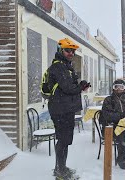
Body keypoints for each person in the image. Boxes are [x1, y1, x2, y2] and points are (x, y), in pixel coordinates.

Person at [47, 38, 90, 179]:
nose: (71, 53)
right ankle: (60, 172)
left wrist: (80, 84)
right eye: (68, 50)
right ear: (61, 50)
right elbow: (68, 88)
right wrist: (80, 87)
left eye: (73, 51)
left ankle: (61, 168)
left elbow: (69, 86)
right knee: (63, 140)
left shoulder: (66, 66)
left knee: (64, 140)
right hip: (60, 110)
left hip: (65, 108)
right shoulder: (59, 67)